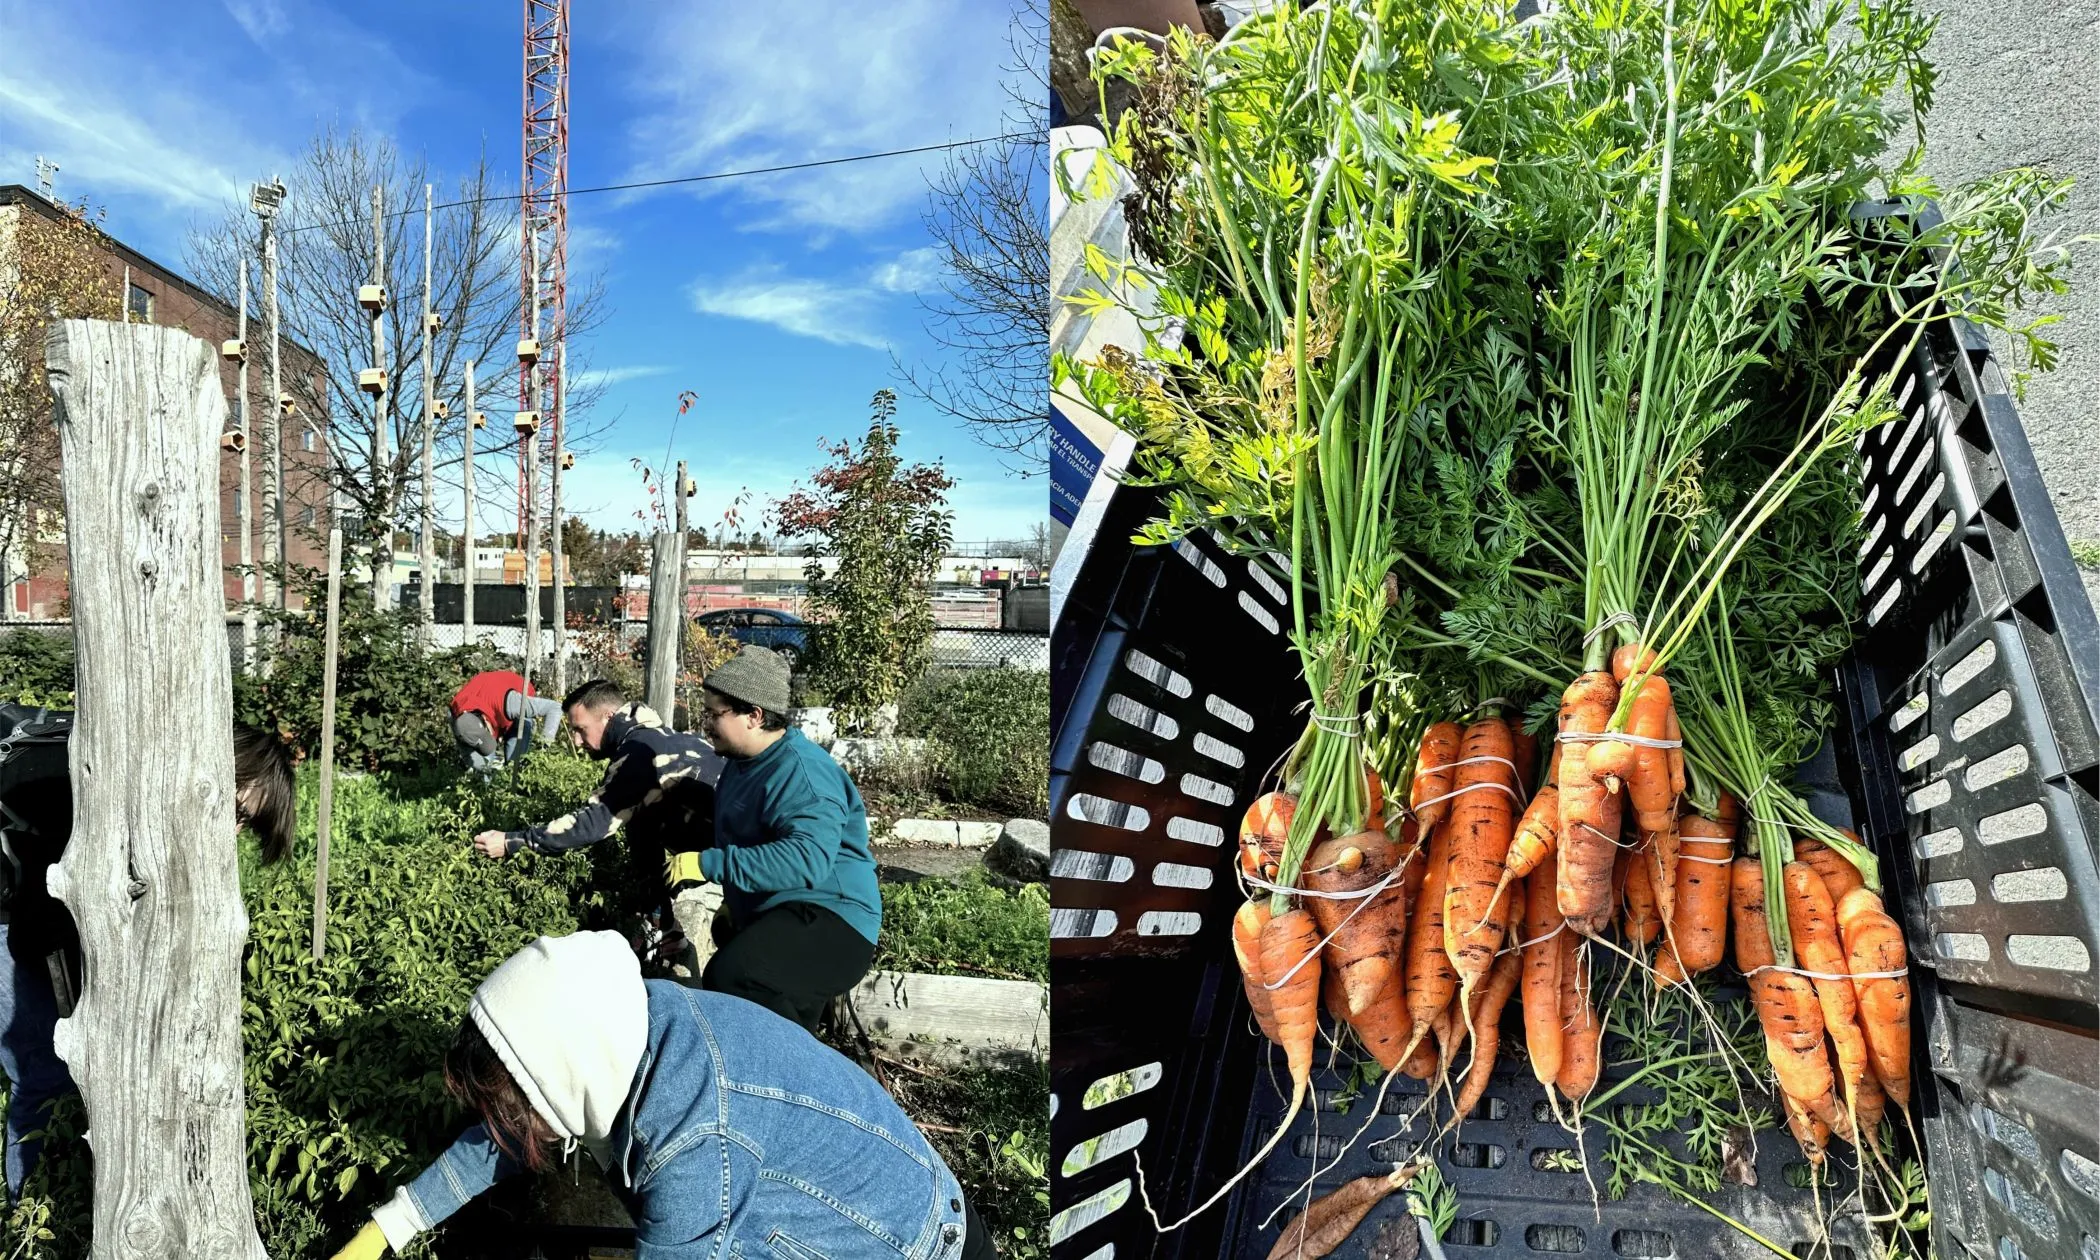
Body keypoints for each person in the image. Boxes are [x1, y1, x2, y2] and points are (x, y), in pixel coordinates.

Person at [327, 931, 991, 1260]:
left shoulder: (694, 1139)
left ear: (564, 1079)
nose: (503, 1127)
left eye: (513, 1107)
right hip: (875, 1190)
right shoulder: (625, 1022)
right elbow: (503, 1137)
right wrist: (388, 1228)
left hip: (910, 1241)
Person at [0, 703, 295, 1201]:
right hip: (10, 912)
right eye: (239, 813)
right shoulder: (122, 780)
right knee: (42, 1070)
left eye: (248, 825)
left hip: (31, 910)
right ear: (223, 769)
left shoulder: (154, 784)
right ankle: (30, 1207)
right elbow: (46, 920)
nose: (234, 833)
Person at [674, 646, 881, 1031]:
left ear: (754, 716)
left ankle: (805, 1075)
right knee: (743, 966)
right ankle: (794, 1060)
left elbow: (806, 859)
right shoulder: (742, 762)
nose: (705, 723)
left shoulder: (802, 773)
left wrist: (708, 864)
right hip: (790, 909)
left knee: (735, 975)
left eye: (714, 714)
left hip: (834, 918)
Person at [471, 681, 723, 936]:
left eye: (581, 729)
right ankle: (666, 928)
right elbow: (644, 847)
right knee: (639, 823)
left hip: (734, 868)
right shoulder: (665, 738)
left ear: (608, 717)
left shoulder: (638, 756)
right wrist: (664, 920)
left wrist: (511, 841)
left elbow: (591, 824)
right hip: (730, 851)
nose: (577, 741)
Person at [450, 670, 563, 775]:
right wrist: (488, 770)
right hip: (491, 708)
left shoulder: (511, 703)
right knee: (486, 770)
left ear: (484, 718)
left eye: (488, 734)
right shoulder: (460, 724)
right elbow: (468, 755)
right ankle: (491, 790)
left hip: (510, 696)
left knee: (515, 765)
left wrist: (543, 747)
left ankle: (516, 786)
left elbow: (554, 707)